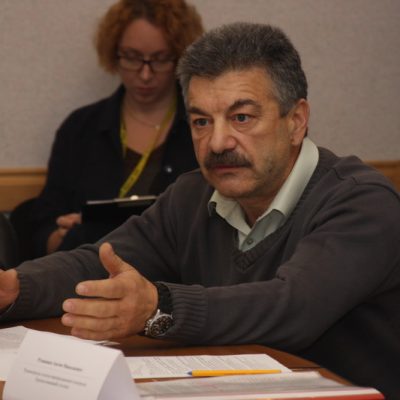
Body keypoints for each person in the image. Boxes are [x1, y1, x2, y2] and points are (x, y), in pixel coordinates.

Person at [1, 22, 400, 398]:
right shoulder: (192, 194)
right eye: (201, 121)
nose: (218, 142)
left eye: (241, 117)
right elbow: (102, 264)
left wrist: (159, 308)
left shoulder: (362, 202)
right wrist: (17, 288)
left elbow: (293, 307)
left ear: (296, 121)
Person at [31, 0, 203, 256]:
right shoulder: (80, 128)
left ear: (180, 57)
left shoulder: (202, 125)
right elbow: (42, 225)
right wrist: (64, 234)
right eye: (132, 58)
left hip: (178, 272)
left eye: (160, 59)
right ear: (114, 53)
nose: (145, 75)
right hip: (91, 268)